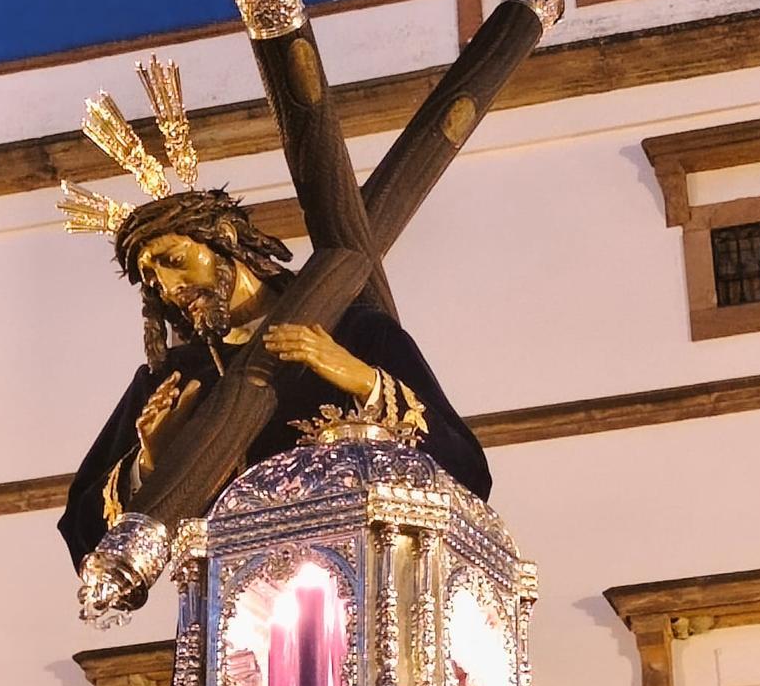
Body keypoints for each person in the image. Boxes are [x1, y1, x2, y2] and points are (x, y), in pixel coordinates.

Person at [57, 188, 493, 571]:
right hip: (240, 605)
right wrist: (150, 464)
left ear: (223, 239)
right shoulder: (172, 379)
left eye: (175, 261)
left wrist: (366, 382)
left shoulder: (355, 332)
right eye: (152, 279)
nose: (169, 288)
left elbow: (468, 473)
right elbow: (85, 539)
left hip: (362, 578)